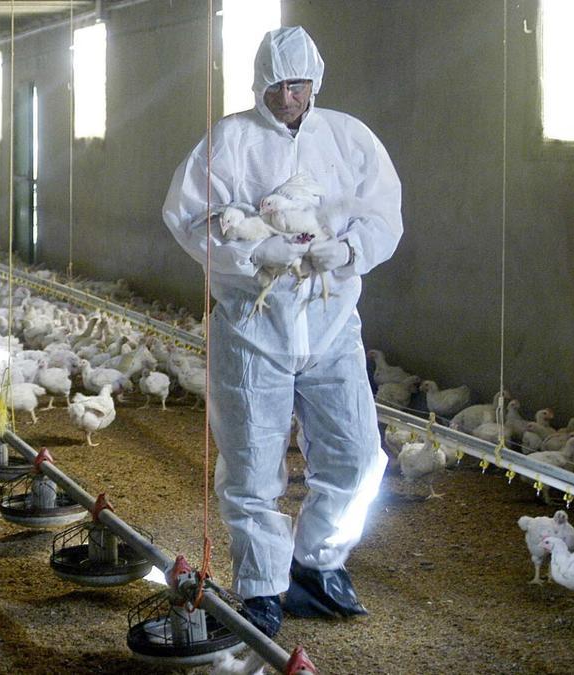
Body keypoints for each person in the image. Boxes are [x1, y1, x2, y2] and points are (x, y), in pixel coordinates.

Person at [161, 26, 402, 638]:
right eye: (277, 86)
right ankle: (262, 586)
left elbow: (382, 214)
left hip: (331, 321)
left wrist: (349, 251)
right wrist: (254, 254)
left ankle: (317, 564)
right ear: (258, 85)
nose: (289, 97)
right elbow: (188, 217)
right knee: (251, 464)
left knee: (358, 456)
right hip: (252, 324)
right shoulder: (228, 141)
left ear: (315, 83)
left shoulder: (349, 138)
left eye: (299, 85)